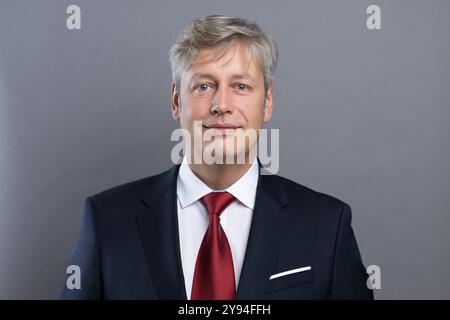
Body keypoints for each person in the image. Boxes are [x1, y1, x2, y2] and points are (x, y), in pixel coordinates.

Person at [61, 15, 373, 300]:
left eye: (240, 86)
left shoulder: (326, 224)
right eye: (203, 85)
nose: (221, 104)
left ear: (267, 102)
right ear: (175, 101)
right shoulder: (106, 221)